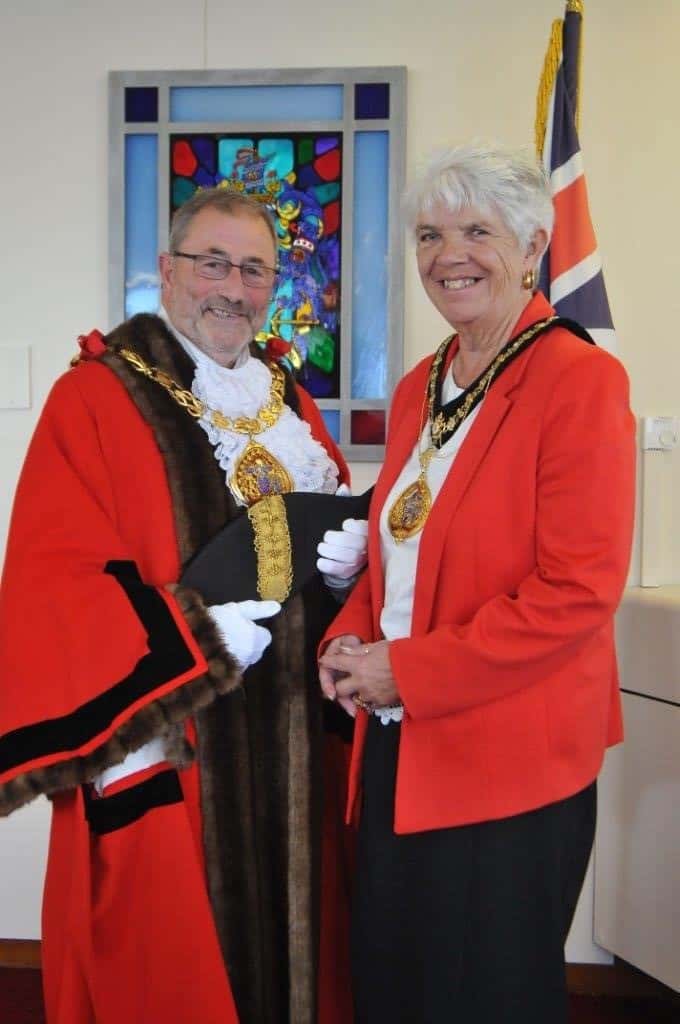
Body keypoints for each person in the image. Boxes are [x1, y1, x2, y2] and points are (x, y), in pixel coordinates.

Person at [0, 188, 367, 1024]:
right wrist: (189, 641)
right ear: (166, 272)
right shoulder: (93, 397)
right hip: (176, 742)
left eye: (254, 270)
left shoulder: (292, 406)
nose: (231, 288)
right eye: (213, 263)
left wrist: (351, 582)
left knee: (301, 955)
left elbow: (327, 541)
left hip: (296, 742)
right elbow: (51, 585)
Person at [319, 142, 636, 1023]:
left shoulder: (580, 379)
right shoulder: (424, 383)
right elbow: (396, 544)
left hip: (509, 760)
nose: (446, 254)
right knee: (395, 981)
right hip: (400, 741)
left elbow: (576, 593)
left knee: (485, 995)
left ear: (534, 246)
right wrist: (350, 637)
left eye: (474, 231)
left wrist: (406, 670)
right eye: (428, 234)